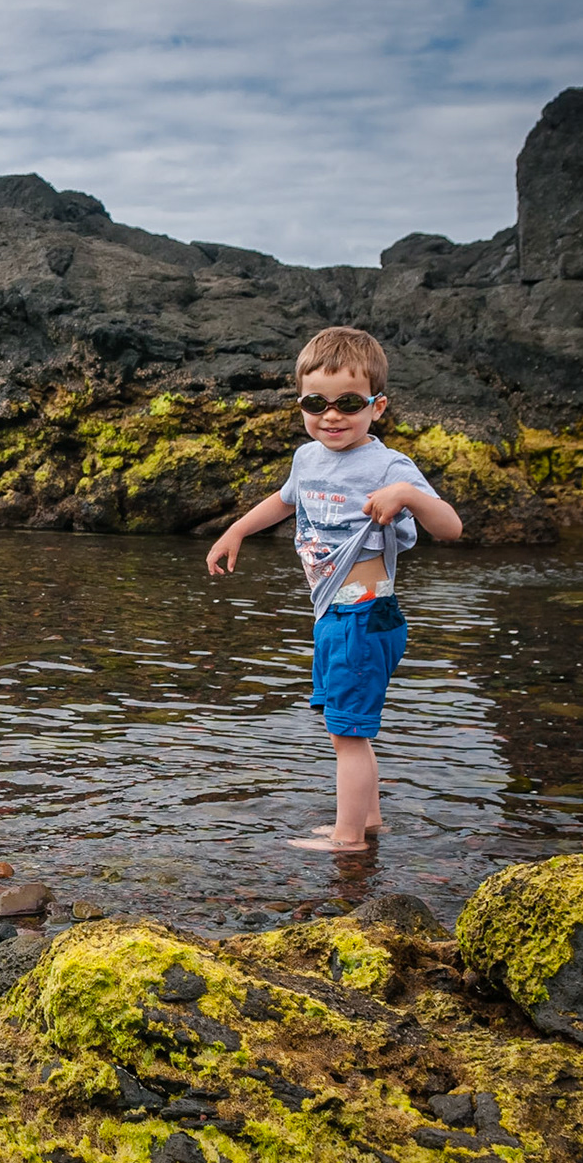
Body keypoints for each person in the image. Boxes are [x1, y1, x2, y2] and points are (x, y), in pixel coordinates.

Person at [205, 326, 462, 851]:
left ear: (377, 406)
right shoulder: (308, 458)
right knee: (344, 730)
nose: (331, 414)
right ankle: (367, 822)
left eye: (348, 401)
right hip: (331, 615)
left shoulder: (389, 466)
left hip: (366, 615)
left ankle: (347, 839)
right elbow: (283, 501)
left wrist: (408, 494)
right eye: (314, 401)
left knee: (349, 734)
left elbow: (451, 528)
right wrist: (236, 530)